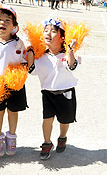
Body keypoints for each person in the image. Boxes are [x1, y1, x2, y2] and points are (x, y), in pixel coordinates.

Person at [28, 18, 78, 160]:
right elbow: (32, 71)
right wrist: (31, 53)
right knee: (47, 119)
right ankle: (47, 142)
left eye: (53, 31)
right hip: (47, 93)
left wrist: (70, 50)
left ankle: (62, 137)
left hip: (66, 92)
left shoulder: (68, 54)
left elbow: (72, 65)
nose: (48, 33)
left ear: (62, 37)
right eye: (46, 30)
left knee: (64, 120)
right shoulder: (41, 56)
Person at [0, 4, 33, 157]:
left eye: (7, 20)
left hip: (15, 84)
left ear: (14, 25)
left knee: (13, 111)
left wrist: (30, 53)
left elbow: (24, 63)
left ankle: (12, 137)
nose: (2, 23)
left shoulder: (18, 43)